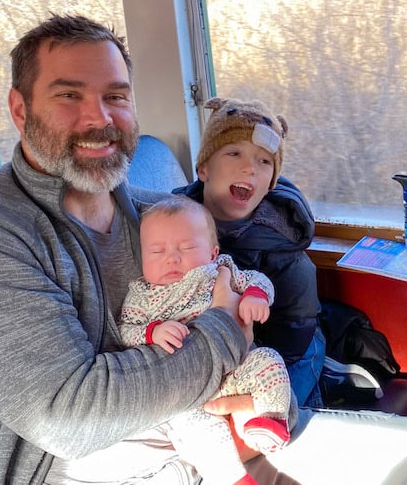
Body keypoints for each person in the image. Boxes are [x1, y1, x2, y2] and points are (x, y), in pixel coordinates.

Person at [0, 14, 407, 485]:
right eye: (68, 95)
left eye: (116, 96)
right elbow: (69, 419)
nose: (99, 117)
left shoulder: (157, 215)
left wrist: (250, 400)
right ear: (21, 109)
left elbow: (248, 331)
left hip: (189, 433)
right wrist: (220, 331)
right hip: (48, 470)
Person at [118, 196, 296, 485]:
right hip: (183, 390)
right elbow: (125, 330)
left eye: (186, 248)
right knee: (194, 427)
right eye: (156, 251)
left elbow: (258, 279)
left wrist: (255, 295)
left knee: (269, 359)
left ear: (213, 253)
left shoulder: (218, 272)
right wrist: (152, 332)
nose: (171, 258)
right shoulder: (141, 296)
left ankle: (272, 421)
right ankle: (233, 478)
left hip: (236, 370)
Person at [175, 96, 326, 408]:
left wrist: (254, 380)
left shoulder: (281, 243)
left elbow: (295, 327)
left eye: (264, 161)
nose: (249, 168)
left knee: (273, 412)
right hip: (210, 345)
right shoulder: (173, 221)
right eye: (234, 153)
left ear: (271, 181)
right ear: (203, 169)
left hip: (290, 347)